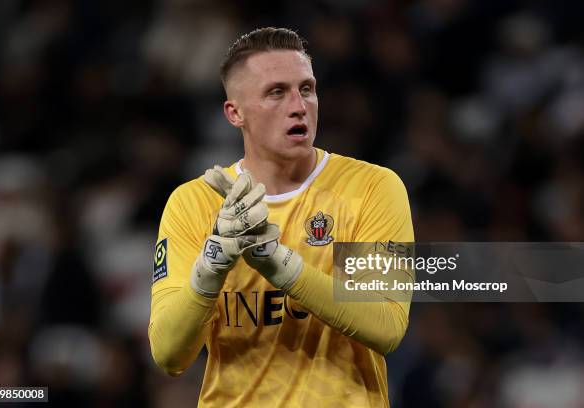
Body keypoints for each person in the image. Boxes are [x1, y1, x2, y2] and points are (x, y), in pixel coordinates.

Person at [148, 27, 415, 407]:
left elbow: (386, 325)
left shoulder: (372, 188)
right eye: (277, 92)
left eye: (306, 89)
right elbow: (169, 355)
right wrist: (212, 266)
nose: (298, 105)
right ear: (234, 112)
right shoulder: (194, 202)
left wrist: (279, 265)